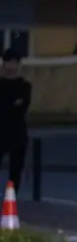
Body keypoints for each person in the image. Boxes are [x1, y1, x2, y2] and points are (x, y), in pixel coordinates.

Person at [0, 48, 32, 191]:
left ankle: (10, 201)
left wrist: (10, 105)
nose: (11, 66)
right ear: (3, 64)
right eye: (8, 62)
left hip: (18, 134)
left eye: (14, 63)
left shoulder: (25, 87)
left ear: (19, 65)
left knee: (15, 171)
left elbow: (21, 108)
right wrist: (12, 104)